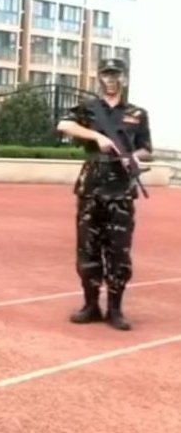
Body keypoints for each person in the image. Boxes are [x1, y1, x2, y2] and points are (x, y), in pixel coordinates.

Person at [56, 57, 152, 331]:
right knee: (87, 249)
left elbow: (147, 148)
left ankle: (115, 309)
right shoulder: (89, 109)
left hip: (121, 191)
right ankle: (90, 305)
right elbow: (63, 125)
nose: (111, 79)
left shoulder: (137, 113)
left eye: (116, 75)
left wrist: (133, 156)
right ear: (99, 78)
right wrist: (97, 137)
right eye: (106, 74)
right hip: (91, 188)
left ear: (124, 79)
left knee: (119, 251)